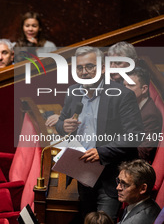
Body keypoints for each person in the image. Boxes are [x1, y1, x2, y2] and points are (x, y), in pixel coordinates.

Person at [55, 46, 144, 223]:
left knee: (103, 221)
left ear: (103, 68)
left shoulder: (122, 95)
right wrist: (63, 126)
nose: (84, 72)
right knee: (86, 219)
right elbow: (61, 122)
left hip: (110, 177)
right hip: (82, 172)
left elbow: (134, 135)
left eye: (90, 66)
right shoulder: (73, 93)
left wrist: (101, 152)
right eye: (79, 68)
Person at [123, 67, 162, 163]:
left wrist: (114, 151)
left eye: (131, 85)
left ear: (144, 89)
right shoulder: (132, 104)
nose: (125, 90)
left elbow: (143, 152)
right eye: (124, 85)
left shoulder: (150, 115)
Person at [116, 159, 161, 224]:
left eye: (124, 184)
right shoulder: (150, 204)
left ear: (143, 189)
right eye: (118, 181)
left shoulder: (135, 221)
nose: (118, 188)